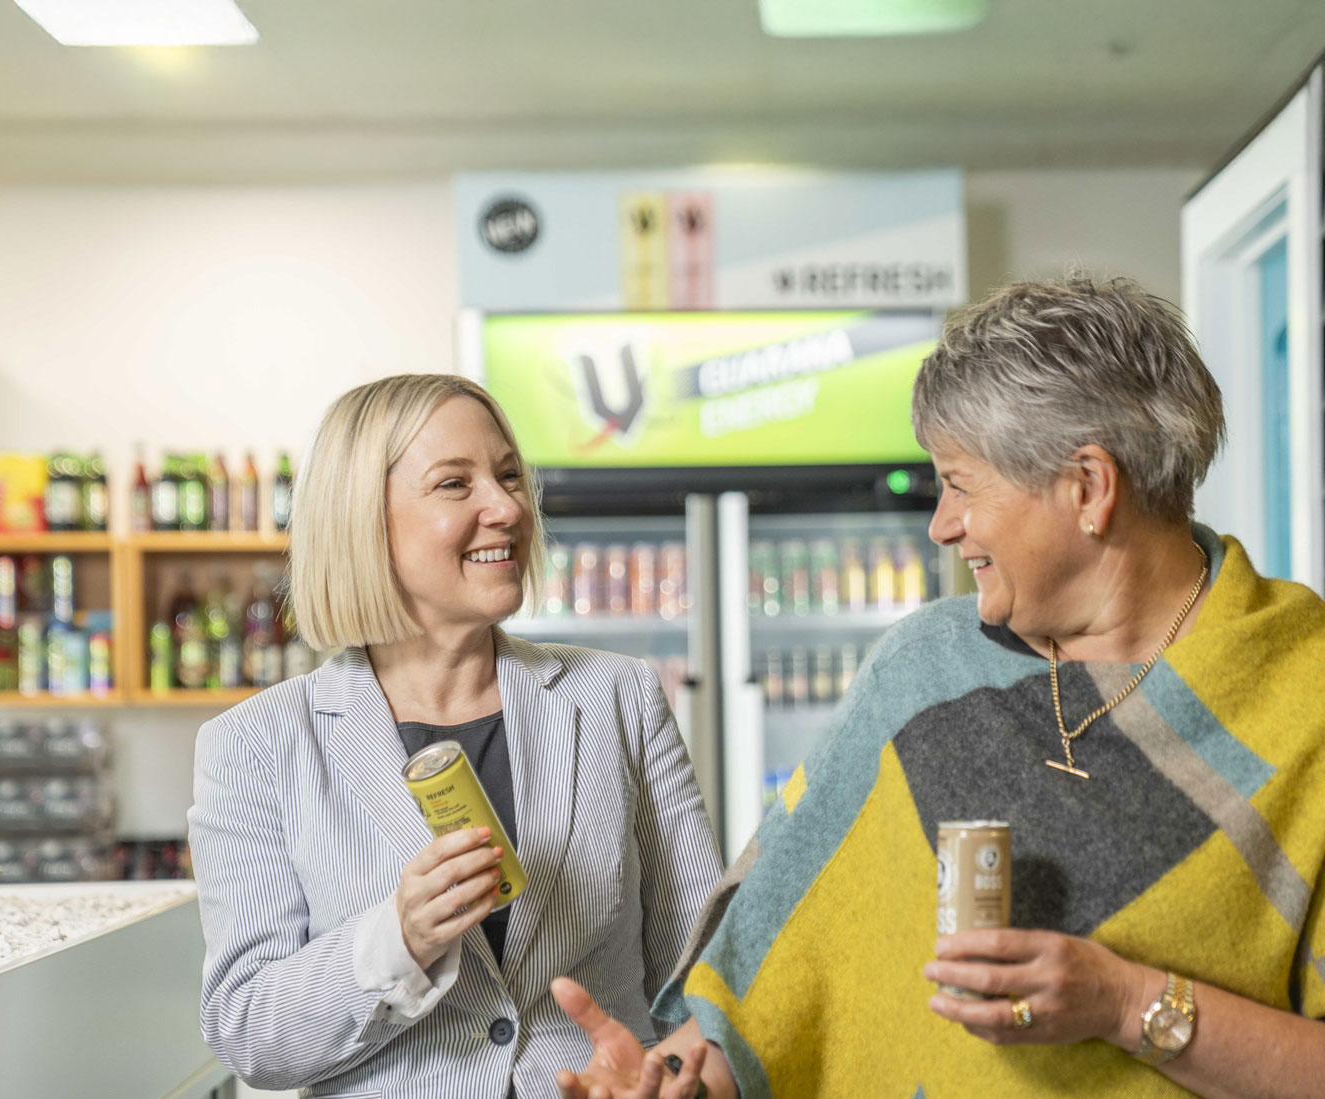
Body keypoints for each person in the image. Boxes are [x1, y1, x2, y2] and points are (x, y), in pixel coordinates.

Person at [551, 274, 1325, 1099]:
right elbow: (778, 974)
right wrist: (679, 1078)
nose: (941, 524)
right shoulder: (924, 671)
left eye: (961, 483)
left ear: (1088, 488)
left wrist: (1124, 1000)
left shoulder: (1302, 694)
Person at [189, 374, 723, 1097]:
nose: (506, 506)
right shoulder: (256, 745)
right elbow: (248, 1028)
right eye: (454, 484)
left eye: (508, 475)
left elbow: (708, 971)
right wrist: (399, 938)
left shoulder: (617, 697)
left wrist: (668, 1078)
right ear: (361, 518)